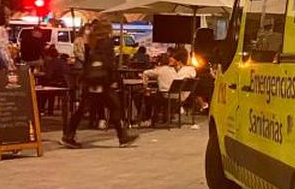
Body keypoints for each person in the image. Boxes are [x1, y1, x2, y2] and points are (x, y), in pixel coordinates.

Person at [62, 19, 137, 148]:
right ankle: (122, 137)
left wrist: (85, 78)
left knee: (82, 109)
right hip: (103, 81)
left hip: (91, 80)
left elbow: (87, 62)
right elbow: (109, 62)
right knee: (115, 107)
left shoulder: (90, 41)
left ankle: (69, 135)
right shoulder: (107, 42)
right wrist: (113, 79)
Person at [141, 47, 196, 127]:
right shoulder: (191, 70)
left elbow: (145, 73)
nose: (170, 59)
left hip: (167, 96)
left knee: (154, 95)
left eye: (172, 57)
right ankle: (166, 117)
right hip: (180, 97)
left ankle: (151, 119)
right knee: (160, 93)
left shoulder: (162, 70)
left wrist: (145, 87)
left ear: (178, 61)